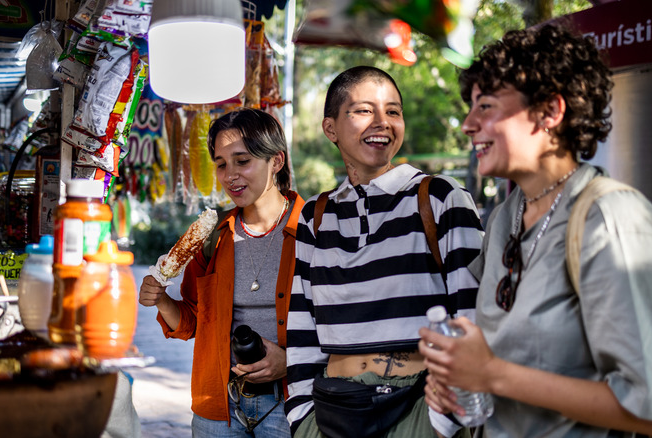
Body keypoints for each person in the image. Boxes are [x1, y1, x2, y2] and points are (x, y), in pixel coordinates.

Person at [418, 24, 652, 437]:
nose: (467, 124)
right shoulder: (505, 218)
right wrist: (460, 381)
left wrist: (492, 375)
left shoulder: (610, 218)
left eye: (485, 106)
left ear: (550, 112)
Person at [285, 66, 484, 438]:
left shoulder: (440, 197)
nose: (383, 122)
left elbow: (473, 316)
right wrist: (302, 418)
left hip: (419, 410)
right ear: (331, 129)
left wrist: (440, 423)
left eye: (393, 111)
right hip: (331, 413)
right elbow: (302, 330)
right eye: (363, 110)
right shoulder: (316, 215)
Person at [139, 108, 304, 437]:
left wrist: (291, 361)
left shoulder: (312, 232)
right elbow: (193, 321)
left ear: (276, 161)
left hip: (291, 405)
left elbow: (339, 327)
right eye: (221, 163)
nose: (230, 175)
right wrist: (161, 301)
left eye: (243, 161)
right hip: (219, 406)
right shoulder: (214, 238)